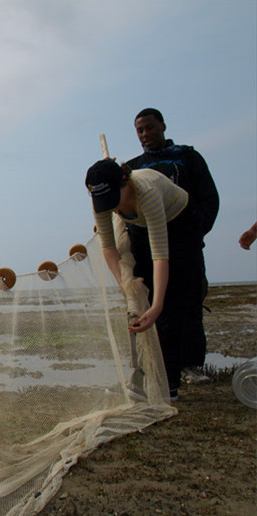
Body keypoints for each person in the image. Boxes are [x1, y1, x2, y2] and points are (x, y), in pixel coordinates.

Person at [85, 159, 206, 401]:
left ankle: (168, 385)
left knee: (171, 302)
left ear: (124, 181)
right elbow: (108, 248)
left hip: (180, 221)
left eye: (112, 199)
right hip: (139, 225)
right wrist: (127, 286)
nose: (108, 206)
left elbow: (161, 255)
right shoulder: (101, 199)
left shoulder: (147, 192)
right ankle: (140, 378)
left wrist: (158, 304)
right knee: (141, 293)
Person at [125, 108, 219, 384]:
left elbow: (209, 199)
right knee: (151, 302)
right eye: (140, 130)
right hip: (146, 248)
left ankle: (191, 365)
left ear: (162, 126)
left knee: (188, 301)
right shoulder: (133, 168)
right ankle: (159, 367)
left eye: (149, 128)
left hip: (184, 244)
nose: (145, 134)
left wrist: (195, 231)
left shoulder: (187, 158)